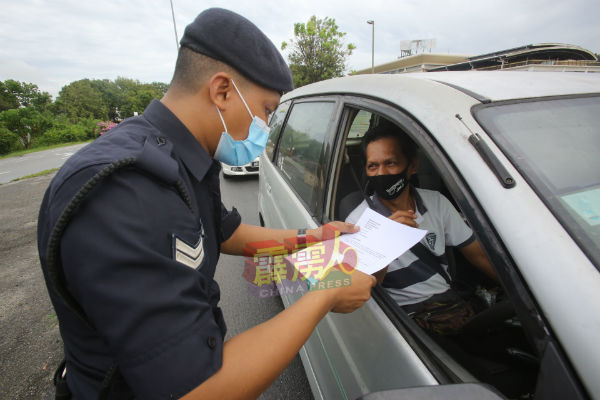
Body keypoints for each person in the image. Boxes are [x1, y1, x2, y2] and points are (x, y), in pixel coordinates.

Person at [37, 8, 375, 400]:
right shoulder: (127, 193)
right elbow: (197, 390)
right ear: (222, 91)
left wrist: (312, 237)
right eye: (266, 111)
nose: (266, 128)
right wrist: (326, 294)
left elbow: (223, 231)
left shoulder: (184, 155)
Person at [345, 119, 497, 335]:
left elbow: (478, 256)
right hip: (407, 322)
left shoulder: (436, 203)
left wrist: (522, 295)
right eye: (373, 166)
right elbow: (364, 291)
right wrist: (386, 242)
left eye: (390, 163)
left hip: (450, 304)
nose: (381, 174)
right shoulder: (358, 222)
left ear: (412, 166)